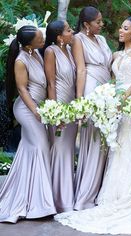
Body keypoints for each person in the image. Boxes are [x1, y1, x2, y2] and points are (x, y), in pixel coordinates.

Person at [54, 17, 131, 235]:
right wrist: (108, 97)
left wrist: (122, 98)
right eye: (121, 26)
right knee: (117, 145)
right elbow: (112, 80)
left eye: (125, 28)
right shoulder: (115, 55)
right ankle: (114, 194)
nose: (120, 30)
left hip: (130, 99)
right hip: (116, 103)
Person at [0, 25, 56, 223]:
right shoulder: (21, 61)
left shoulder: (36, 54)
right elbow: (23, 90)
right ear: (29, 43)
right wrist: (36, 111)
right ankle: (40, 203)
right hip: (26, 109)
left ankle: (28, 194)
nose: (43, 40)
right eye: (39, 38)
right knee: (41, 147)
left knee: (29, 150)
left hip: (38, 108)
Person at [72, 6, 112, 210]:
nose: (101, 24)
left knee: (106, 136)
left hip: (107, 88)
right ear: (86, 25)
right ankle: (87, 191)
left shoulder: (103, 40)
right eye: (98, 22)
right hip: (90, 87)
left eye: (101, 20)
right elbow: (80, 69)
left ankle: (102, 189)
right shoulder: (78, 39)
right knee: (94, 137)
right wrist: (80, 100)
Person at [41, 20, 77, 213]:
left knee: (68, 149)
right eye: (69, 30)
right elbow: (51, 83)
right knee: (59, 147)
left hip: (71, 103)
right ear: (59, 37)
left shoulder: (69, 51)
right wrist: (55, 111)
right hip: (59, 103)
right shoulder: (51, 51)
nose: (72, 32)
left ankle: (67, 195)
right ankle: (57, 199)